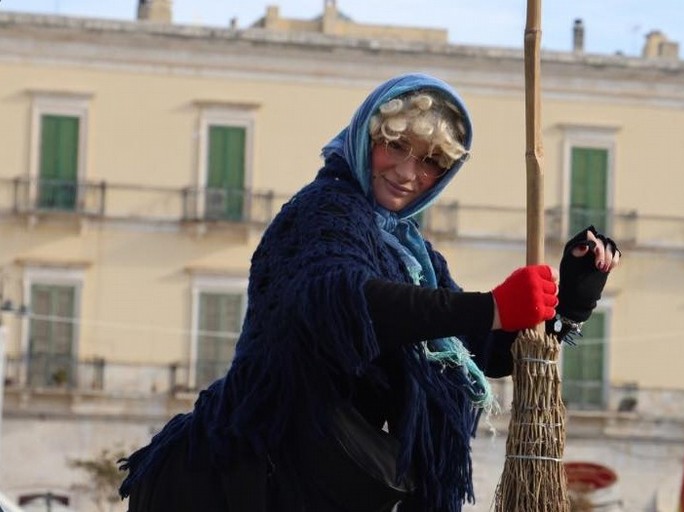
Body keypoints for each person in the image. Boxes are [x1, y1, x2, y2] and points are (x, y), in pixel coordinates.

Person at [118, 73, 620, 512]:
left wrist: (573, 297)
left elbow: (481, 350)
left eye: (430, 162)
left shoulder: (412, 252)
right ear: (365, 138)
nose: (407, 173)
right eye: (396, 146)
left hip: (340, 485)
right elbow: (342, 299)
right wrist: (490, 306)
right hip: (258, 474)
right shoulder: (323, 211)